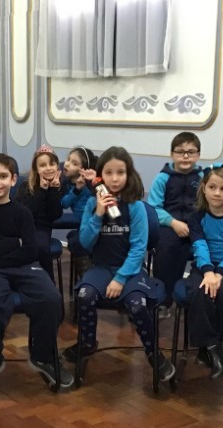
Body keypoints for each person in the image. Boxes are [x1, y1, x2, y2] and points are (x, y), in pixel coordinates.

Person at [0, 153, 74, 390]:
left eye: (3, 176)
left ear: (13, 179)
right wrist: (15, 243)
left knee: (51, 299)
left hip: (16, 267)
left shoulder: (22, 212)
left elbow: (31, 251)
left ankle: (42, 356)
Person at [69, 146, 175, 382]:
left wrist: (120, 278)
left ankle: (153, 353)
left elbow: (138, 248)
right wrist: (98, 214)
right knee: (84, 296)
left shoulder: (135, 207)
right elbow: (85, 242)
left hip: (130, 270)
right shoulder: (91, 205)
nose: (115, 179)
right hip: (101, 268)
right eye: (109, 173)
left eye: (120, 172)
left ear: (129, 175)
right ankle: (87, 343)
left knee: (137, 305)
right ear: (100, 176)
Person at [183, 165, 223, 379]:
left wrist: (219, 273)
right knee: (200, 293)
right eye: (212, 187)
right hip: (203, 267)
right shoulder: (197, 217)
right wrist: (208, 272)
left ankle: (205, 348)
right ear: (204, 188)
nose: (217, 193)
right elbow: (199, 246)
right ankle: (215, 349)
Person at [148, 132, 211, 315]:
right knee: (165, 252)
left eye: (191, 152)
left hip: (196, 226)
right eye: (180, 152)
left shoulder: (203, 177)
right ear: (172, 154)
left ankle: (201, 298)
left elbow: (209, 204)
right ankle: (163, 301)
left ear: (198, 155)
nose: (185, 156)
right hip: (170, 225)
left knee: (209, 249)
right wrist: (173, 222)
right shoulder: (163, 178)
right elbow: (154, 208)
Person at [15, 145, 64, 280]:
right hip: (23, 226)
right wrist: (42, 190)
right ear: (36, 168)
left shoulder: (57, 186)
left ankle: (47, 283)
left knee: (40, 247)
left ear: (57, 166)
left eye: (52, 164)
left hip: (41, 228)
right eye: (42, 165)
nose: (48, 168)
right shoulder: (26, 186)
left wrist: (53, 190)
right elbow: (28, 214)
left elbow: (55, 215)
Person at [61, 145, 97, 277]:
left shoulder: (91, 183)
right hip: (83, 226)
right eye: (68, 159)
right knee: (75, 241)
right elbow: (64, 203)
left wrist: (90, 183)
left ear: (83, 169)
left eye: (74, 163)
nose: (67, 164)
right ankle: (86, 278)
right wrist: (76, 189)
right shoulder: (66, 183)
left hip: (96, 224)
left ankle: (93, 275)